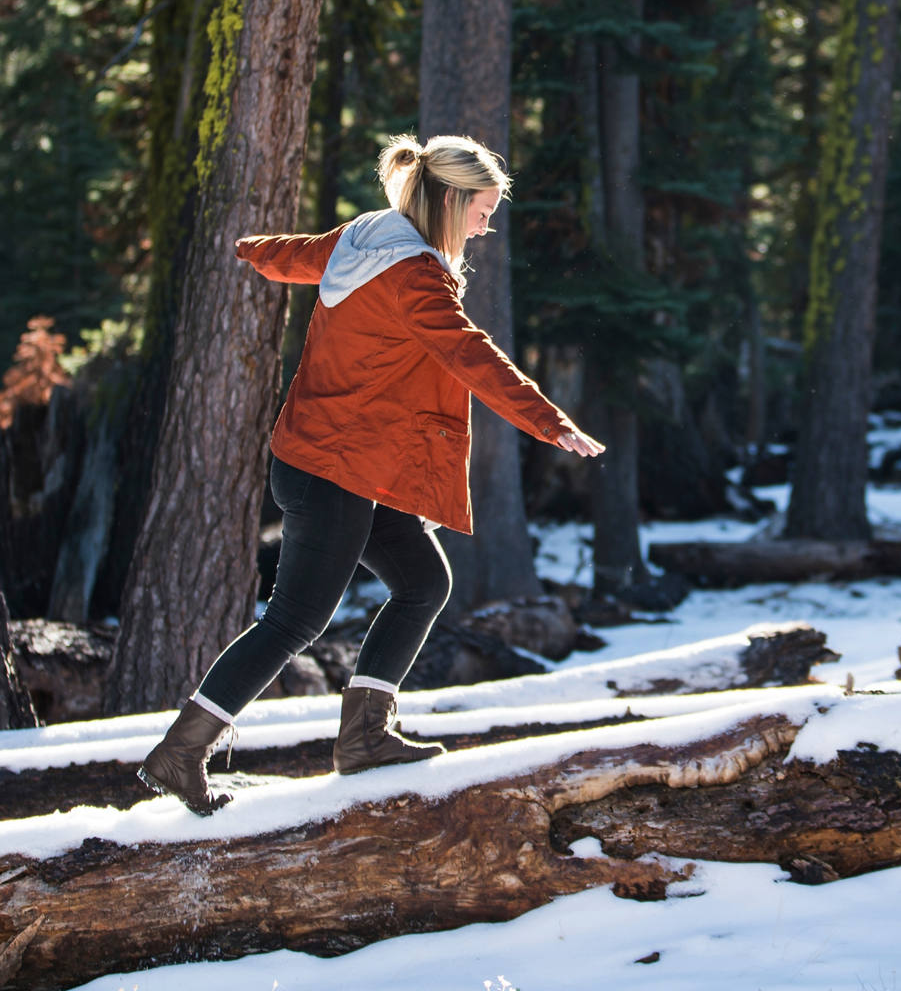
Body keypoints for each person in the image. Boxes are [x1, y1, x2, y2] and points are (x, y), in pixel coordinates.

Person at [138, 133, 604, 816]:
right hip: (335, 467)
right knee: (294, 620)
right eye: (481, 208)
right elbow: (469, 355)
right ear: (449, 199)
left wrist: (245, 250)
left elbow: (291, 256)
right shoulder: (415, 274)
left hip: (335, 459)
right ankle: (180, 754)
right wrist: (547, 420)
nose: (487, 223)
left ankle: (364, 736)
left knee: (423, 582)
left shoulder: (365, 239)